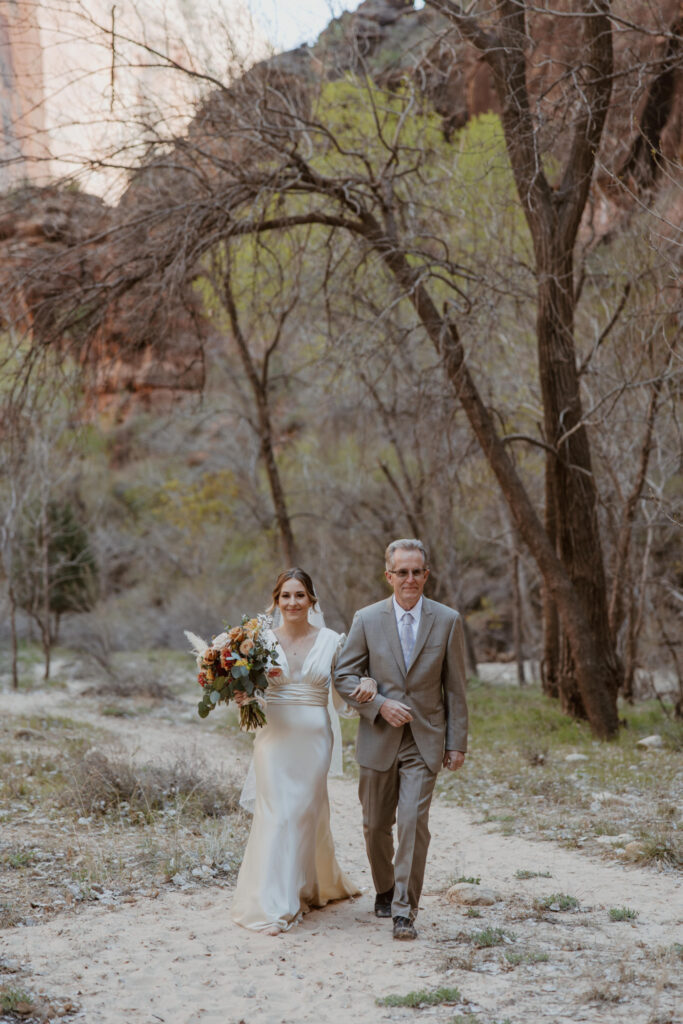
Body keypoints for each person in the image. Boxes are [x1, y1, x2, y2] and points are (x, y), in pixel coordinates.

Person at [333, 538, 468, 941]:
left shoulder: (447, 620)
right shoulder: (367, 619)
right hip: (378, 736)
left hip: (425, 739)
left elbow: (456, 688)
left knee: (412, 823)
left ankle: (404, 911)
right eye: (402, 572)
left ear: (426, 575)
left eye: (416, 571)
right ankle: (385, 888)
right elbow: (343, 676)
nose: (409, 579)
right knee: (375, 824)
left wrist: (456, 741)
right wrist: (378, 703)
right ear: (388, 575)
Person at [231, 568, 376, 935]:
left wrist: (367, 683)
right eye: (285, 596)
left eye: (299, 595)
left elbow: (345, 688)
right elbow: (251, 689)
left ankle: (301, 888)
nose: (292, 602)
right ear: (276, 601)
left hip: (314, 741)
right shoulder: (258, 642)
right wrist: (243, 697)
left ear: (312, 600)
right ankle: (274, 901)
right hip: (273, 739)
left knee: (300, 813)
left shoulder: (331, 640)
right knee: (276, 812)